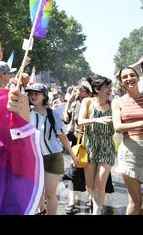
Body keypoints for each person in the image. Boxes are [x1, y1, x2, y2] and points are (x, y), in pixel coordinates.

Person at [25, 83, 79, 215]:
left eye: (36, 93)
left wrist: (73, 155)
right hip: (34, 157)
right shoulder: (26, 113)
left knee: (50, 193)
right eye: (31, 93)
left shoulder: (52, 114)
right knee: (36, 190)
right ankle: (41, 210)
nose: (33, 96)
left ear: (44, 96)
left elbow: (62, 137)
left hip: (53, 156)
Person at [77, 75, 115, 215]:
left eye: (110, 88)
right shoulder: (88, 101)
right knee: (90, 185)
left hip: (107, 146)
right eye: (107, 88)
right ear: (98, 89)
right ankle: (93, 202)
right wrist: (97, 120)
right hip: (90, 145)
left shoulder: (113, 104)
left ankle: (97, 212)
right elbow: (80, 121)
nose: (110, 90)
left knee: (100, 184)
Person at [112, 67, 143, 215]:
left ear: (138, 77)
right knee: (135, 202)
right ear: (121, 82)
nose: (129, 78)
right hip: (130, 152)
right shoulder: (118, 102)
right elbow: (117, 126)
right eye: (125, 77)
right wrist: (140, 123)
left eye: (132, 75)